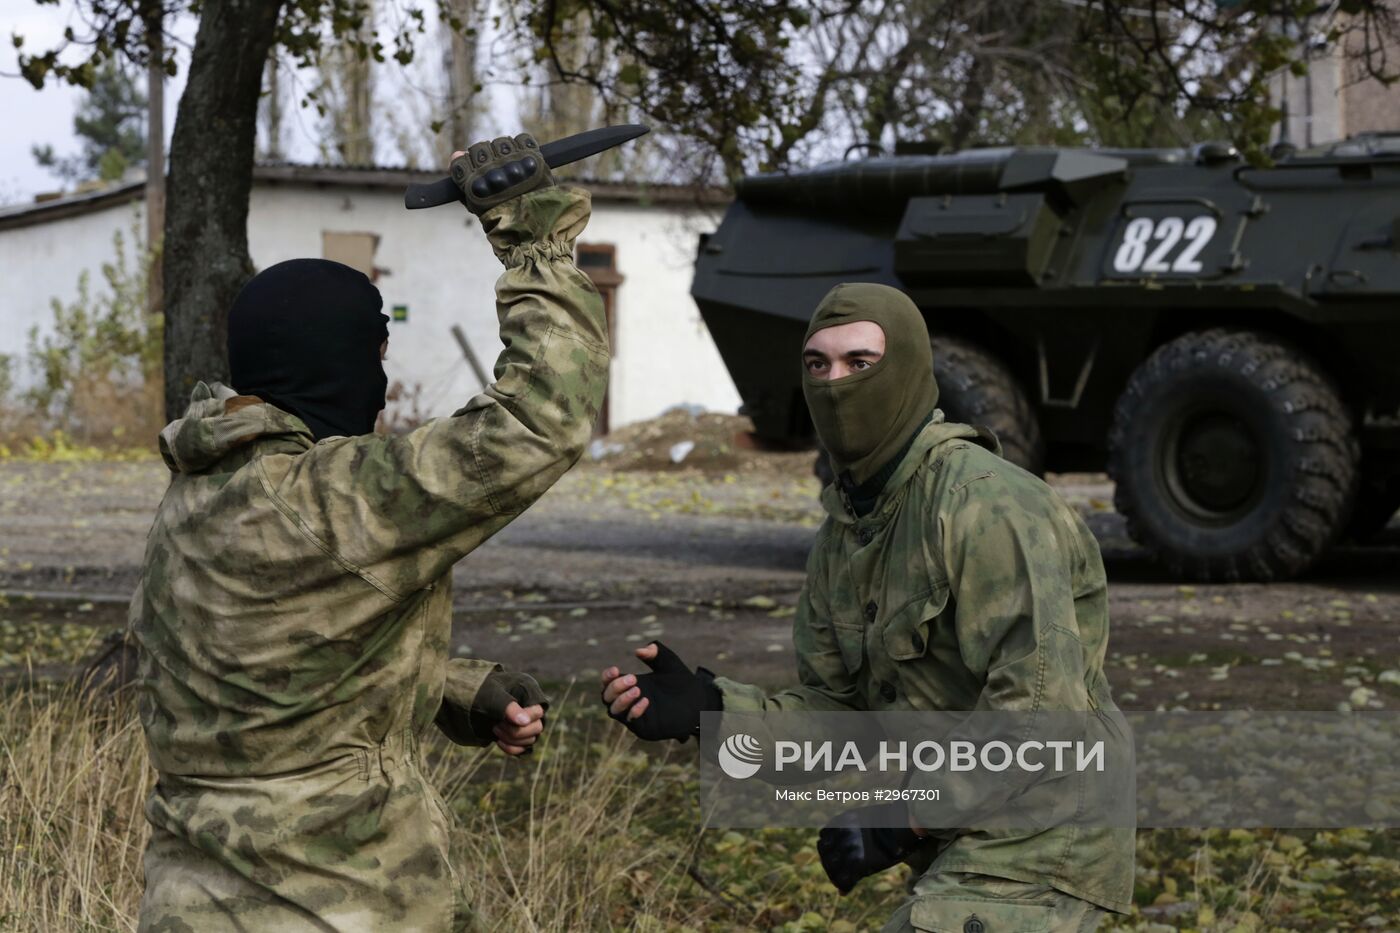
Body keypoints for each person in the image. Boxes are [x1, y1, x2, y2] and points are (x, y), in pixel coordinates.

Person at [130, 134, 609, 932]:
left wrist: (456, 690)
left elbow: (264, 672)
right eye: (375, 355)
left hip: (188, 905)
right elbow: (539, 420)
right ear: (339, 362)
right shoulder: (329, 499)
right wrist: (531, 229)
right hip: (334, 903)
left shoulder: (198, 494)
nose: (383, 386)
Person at [601, 283, 1133, 932]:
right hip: (964, 831)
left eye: (861, 363)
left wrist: (906, 814)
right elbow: (844, 714)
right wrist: (712, 711)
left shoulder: (985, 503)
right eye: (817, 365)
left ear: (908, 369)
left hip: (1047, 826)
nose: (836, 384)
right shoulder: (847, 532)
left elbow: (1041, 712)